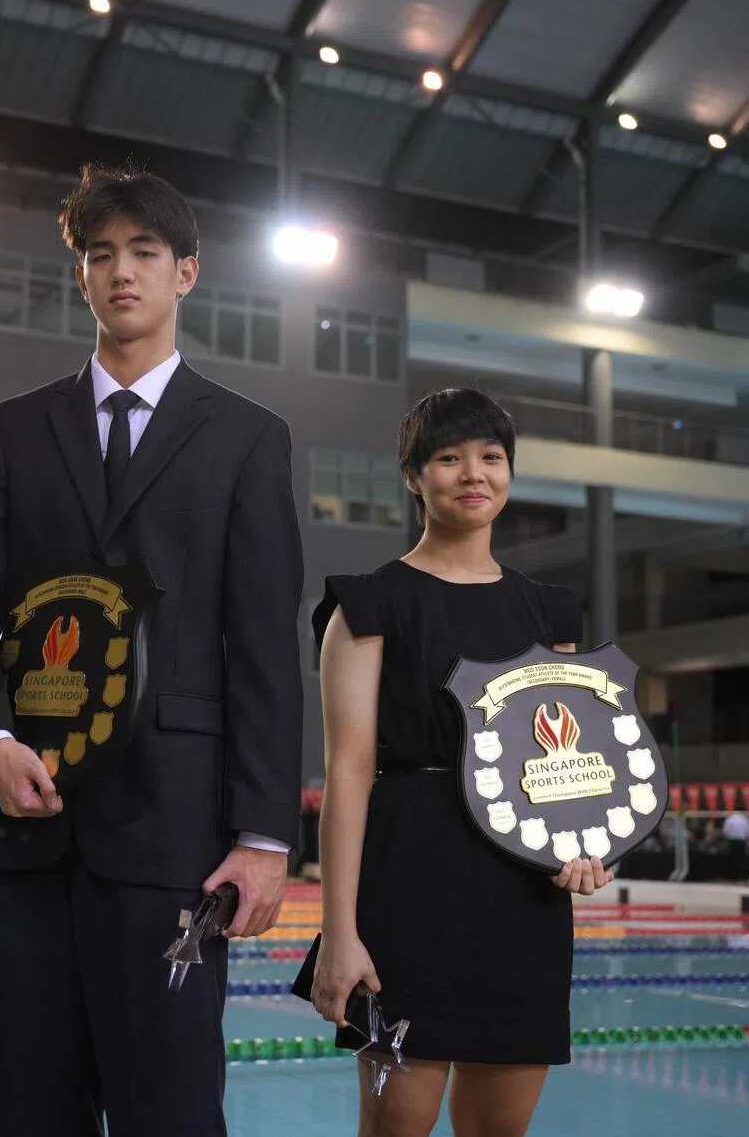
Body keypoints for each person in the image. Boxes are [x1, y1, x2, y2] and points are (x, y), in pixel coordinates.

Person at [0, 163, 304, 1136]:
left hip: (176, 836)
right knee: (38, 1109)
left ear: (188, 272)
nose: (120, 272)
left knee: (170, 1108)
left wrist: (263, 837)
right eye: (100, 255)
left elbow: (262, 644)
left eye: (143, 252)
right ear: (82, 277)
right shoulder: (16, 431)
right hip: (28, 827)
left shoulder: (246, 440)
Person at [309, 389, 615, 1137]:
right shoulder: (369, 603)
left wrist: (582, 845)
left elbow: (565, 764)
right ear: (414, 477)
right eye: (448, 458)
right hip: (407, 886)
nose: (472, 475)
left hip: (521, 895)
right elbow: (348, 771)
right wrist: (339, 934)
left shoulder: (550, 612)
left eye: (491, 457)